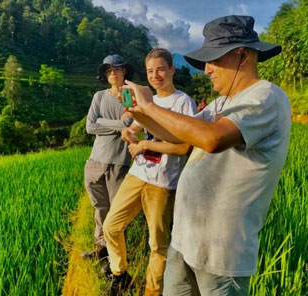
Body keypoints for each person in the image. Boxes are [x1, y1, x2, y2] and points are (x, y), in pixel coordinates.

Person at [122, 15, 291, 296]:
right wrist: (140, 113)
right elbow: (178, 134)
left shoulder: (266, 97)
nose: (207, 70)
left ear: (242, 55)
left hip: (221, 256)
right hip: (185, 241)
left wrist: (151, 107)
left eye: (214, 59)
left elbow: (213, 139)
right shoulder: (220, 103)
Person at [103, 48, 196, 296]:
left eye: (161, 69)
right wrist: (129, 133)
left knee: (157, 245)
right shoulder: (149, 101)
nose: (156, 76)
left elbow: (185, 146)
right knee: (111, 226)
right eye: (150, 71)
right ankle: (120, 274)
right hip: (138, 174)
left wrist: (146, 144)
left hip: (164, 182)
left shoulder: (183, 102)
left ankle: (152, 292)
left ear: (172, 70)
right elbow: (135, 126)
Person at [82, 54, 135, 260]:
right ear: (106, 75)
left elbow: (131, 123)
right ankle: (100, 250)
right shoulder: (99, 96)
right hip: (95, 161)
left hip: (118, 162)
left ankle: (117, 256)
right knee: (100, 208)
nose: (113, 73)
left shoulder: (128, 96)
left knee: (116, 212)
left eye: (117, 69)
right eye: (109, 70)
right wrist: (118, 124)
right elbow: (90, 126)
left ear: (124, 72)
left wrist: (108, 123)